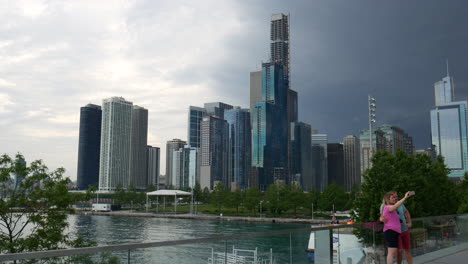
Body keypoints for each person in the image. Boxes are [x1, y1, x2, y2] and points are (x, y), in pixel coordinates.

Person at [380, 191, 413, 264]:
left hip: (399, 231)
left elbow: (401, 215)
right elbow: (383, 215)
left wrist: (407, 222)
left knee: (398, 251)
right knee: (395, 252)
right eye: (393, 197)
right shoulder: (387, 206)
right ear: (388, 199)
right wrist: (405, 197)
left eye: (396, 197)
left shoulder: (396, 206)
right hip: (392, 232)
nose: (395, 198)